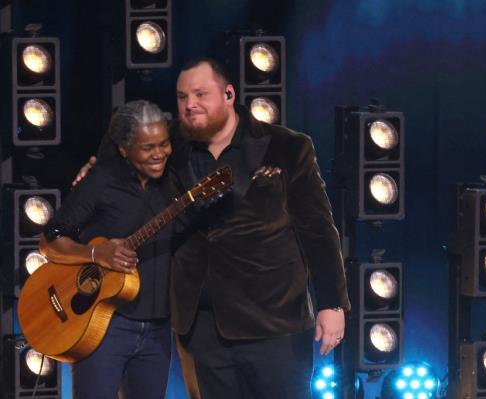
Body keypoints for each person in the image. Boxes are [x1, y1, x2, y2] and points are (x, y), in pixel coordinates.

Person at [78, 58, 351, 399]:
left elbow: (318, 229)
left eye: (200, 94)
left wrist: (332, 303)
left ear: (228, 94)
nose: (190, 104)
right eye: (181, 97)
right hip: (200, 325)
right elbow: (118, 147)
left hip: (273, 321)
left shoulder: (287, 146)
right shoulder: (169, 146)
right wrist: (94, 171)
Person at [41, 100, 174, 399]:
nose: (159, 154)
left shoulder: (172, 181)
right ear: (125, 149)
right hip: (104, 326)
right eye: (148, 147)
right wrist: (95, 254)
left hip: (158, 331)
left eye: (164, 144)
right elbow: (51, 239)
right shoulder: (100, 182)